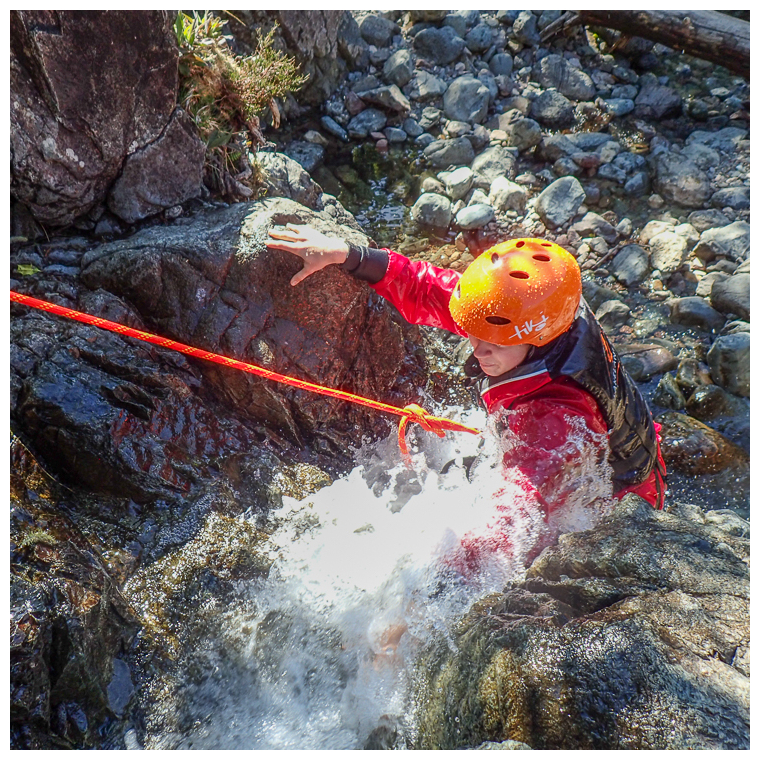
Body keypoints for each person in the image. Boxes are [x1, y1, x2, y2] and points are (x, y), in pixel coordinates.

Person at [265, 224, 667, 571]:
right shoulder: (534, 314)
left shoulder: (556, 418)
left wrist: (431, 590)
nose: (476, 349)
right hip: (593, 444)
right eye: (472, 333)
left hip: (618, 499)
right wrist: (348, 255)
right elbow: (429, 288)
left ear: (537, 338)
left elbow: (515, 514)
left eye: (493, 342)